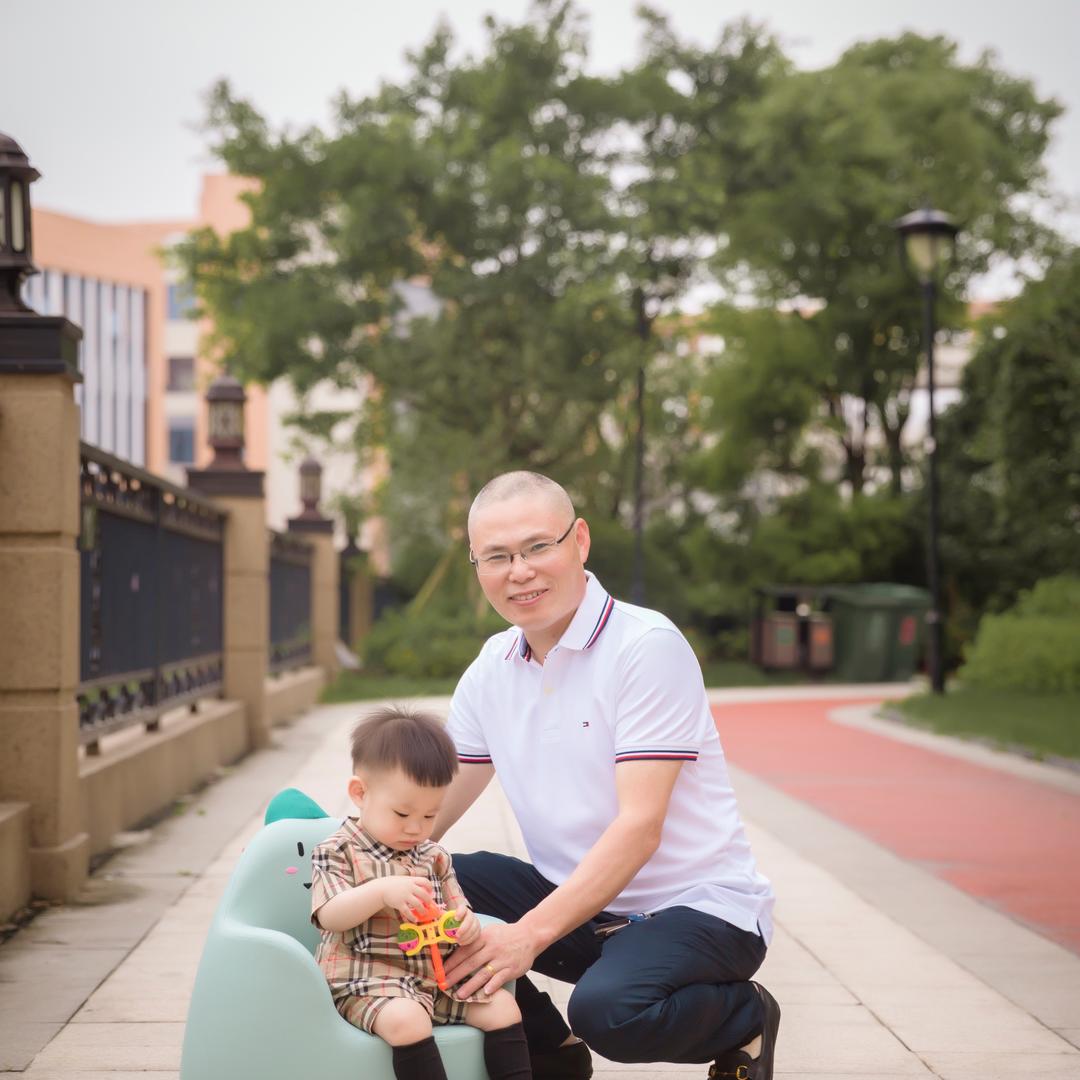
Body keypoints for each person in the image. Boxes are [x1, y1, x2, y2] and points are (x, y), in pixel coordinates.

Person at [433, 471, 780, 1080]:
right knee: (429, 888)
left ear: (580, 541)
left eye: (539, 546)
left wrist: (527, 937)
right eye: (498, 556)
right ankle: (546, 1049)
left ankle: (744, 1015)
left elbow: (641, 827)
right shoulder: (491, 668)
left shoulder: (645, 647)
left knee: (610, 1012)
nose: (520, 571)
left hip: (697, 911)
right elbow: (428, 807)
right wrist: (349, 857)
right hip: (585, 910)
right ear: (477, 565)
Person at [309, 706, 532, 1080]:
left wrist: (465, 926)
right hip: (365, 981)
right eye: (402, 814)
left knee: (504, 1008)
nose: (416, 828)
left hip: (433, 979)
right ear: (360, 793)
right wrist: (380, 892)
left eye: (429, 816)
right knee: (409, 1020)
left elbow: (459, 911)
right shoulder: (337, 851)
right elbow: (330, 914)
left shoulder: (434, 856)